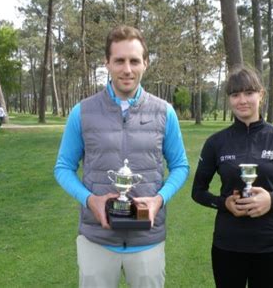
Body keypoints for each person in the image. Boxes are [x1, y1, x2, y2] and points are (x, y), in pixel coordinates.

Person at [54, 25, 189, 288]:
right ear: (107, 63)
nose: (127, 69)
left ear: (145, 64)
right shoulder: (82, 112)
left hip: (147, 239)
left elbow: (181, 166)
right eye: (119, 61)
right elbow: (63, 167)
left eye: (134, 61)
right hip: (97, 239)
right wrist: (89, 199)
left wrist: (158, 200)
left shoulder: (165, 112)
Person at [191, 67, 273, 288]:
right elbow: (198, 192)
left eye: (248, 93)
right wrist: (223, 203)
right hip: (228, 244)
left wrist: (272, 200)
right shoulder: (216, 142)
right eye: (235, 95)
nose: (242, 100)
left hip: (270, 244)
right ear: (229, 99)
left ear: (261, 94)